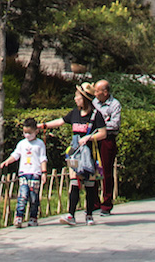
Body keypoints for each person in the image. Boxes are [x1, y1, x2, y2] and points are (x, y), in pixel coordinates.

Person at [39, 83, 106, 226]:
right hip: (75, 153)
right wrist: (43, 126)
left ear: (84, 99)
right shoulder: (74, 113)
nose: (75, 99)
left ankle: (89, 215)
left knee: (89, 185)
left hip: (90, 155)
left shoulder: (96, 115)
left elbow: (103, 133)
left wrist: (89, 138)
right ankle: (71, 214)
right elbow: (61, 121)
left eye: (77, 96)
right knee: (74, 182)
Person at [0, 117, 47, 228]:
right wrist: (7, 161)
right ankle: (19, 217)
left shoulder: (40, 144)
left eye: (29, 133)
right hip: (24, 173)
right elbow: (16, 155)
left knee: (34, 197)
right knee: (23, 195)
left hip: (35, 173)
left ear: (36, 131)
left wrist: (44, 172)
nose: (27, 135)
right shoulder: (22, 144)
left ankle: (33, 217)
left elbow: (43, 159)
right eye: (25, 132)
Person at [93, 78, 121, 215]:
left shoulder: (114, 104)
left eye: (97, 91)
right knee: (94, 169)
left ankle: (107, 203)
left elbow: (115, 124)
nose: (95, 93)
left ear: (105, 92)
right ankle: (94, 201)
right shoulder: (94, 103)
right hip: (94, 138)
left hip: (108, 139)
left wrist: (101, 126)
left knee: (106, 171)